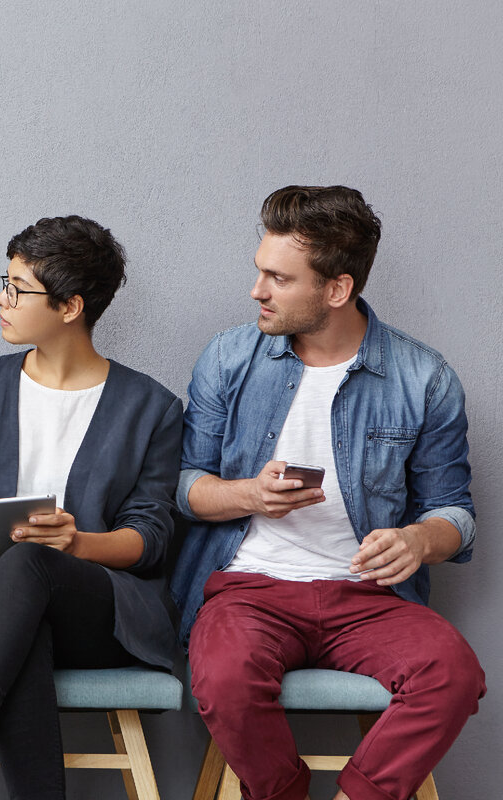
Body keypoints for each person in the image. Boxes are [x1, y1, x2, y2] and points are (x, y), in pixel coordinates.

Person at [171, 185, 486, 800]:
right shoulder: (230, 358)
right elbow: (184, 489)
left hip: (365, 597)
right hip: (249, 590)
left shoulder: (425, 378)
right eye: (259, 271)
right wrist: (248, 496)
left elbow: (456, 514)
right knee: (224, 677)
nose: (256, 290)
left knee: (452, 673)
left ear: (337, 289)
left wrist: (419, 540)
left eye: (278, 278)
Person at [0, 216, 183, 800]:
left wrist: (77, 544)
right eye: (4, 281)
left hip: (101, 614)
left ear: (70, 306)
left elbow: (152, 536)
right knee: (18, 612)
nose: (0, 298)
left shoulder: (150, 406)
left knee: (27, 565)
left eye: (17, 287)